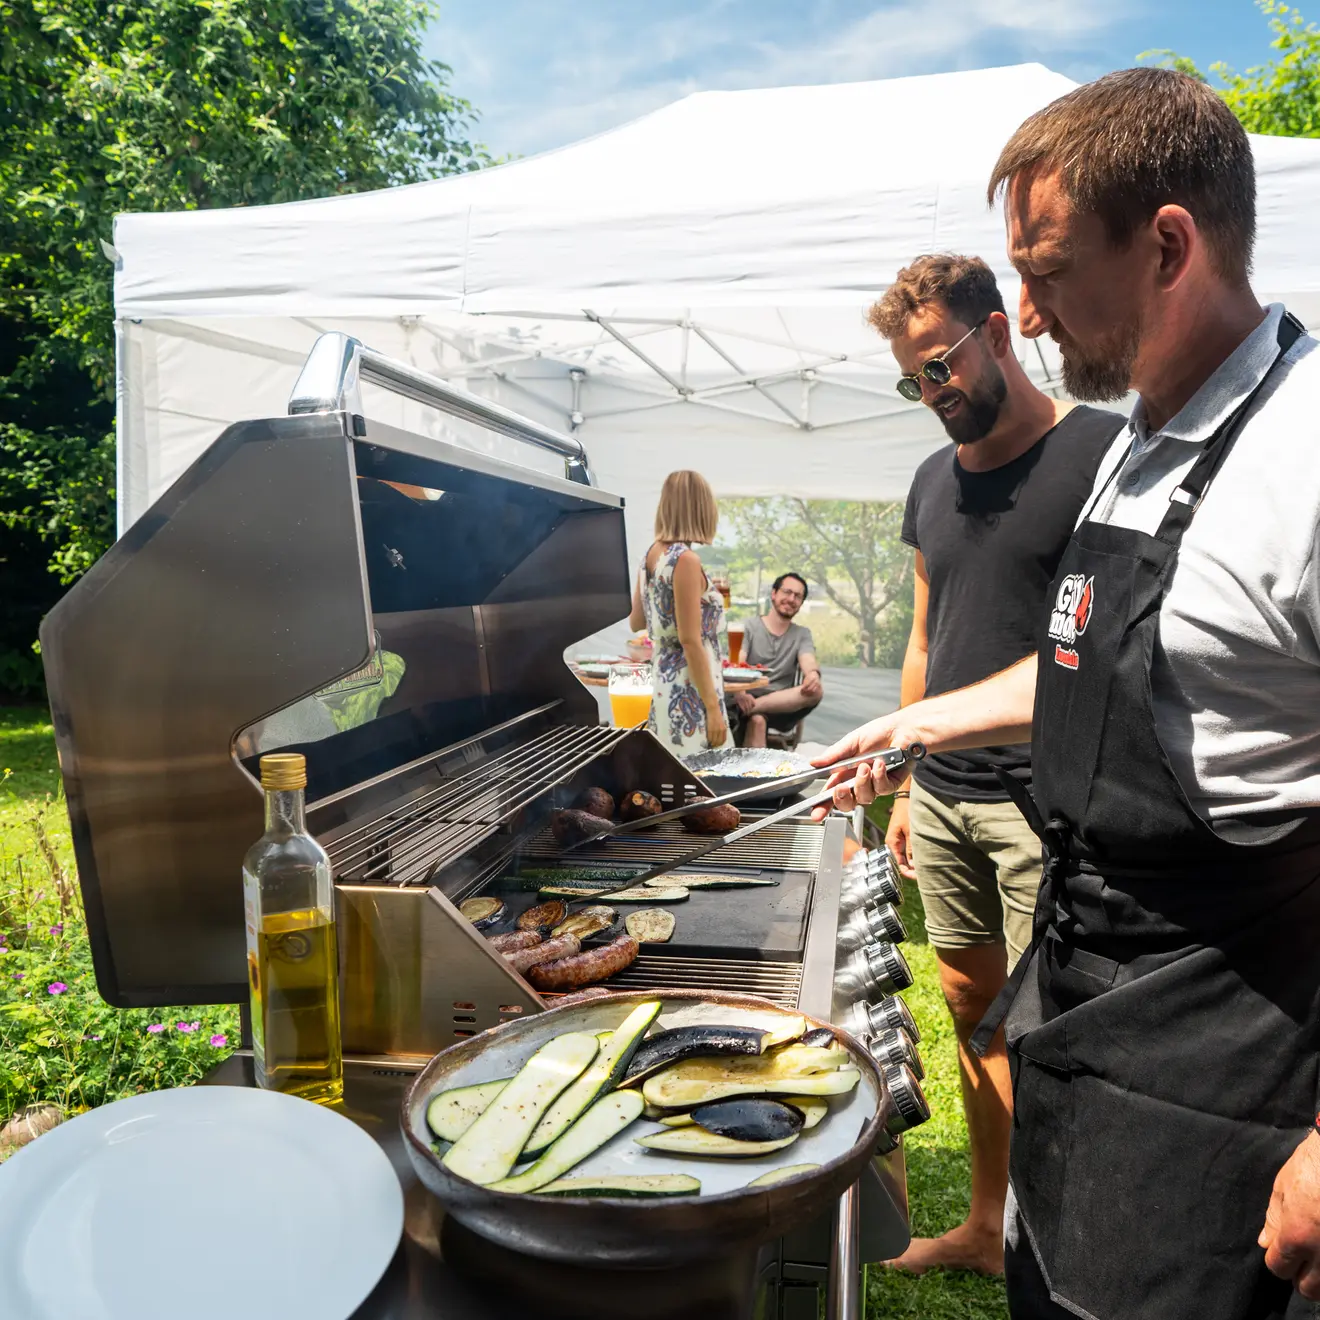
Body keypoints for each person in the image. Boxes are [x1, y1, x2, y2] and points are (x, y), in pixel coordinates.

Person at [817, 67, 1320, 1319]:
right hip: (1089, 1018)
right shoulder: (1143, 438)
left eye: (1046, 273)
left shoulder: (1303, 458)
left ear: (1167, 246)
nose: (1026, 317)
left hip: (1232, 1066)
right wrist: (923, 718)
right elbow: (1102, 668)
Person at [872, 253, 1123, 1277]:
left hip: (1048, 803)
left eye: (940, 366)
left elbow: (1099, 644)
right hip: (943, 798)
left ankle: (1068, 1251)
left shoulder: (1101, 453)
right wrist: (901, 776)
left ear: (999, 333)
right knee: (970, 1014)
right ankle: (985, 1227)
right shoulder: (932, 481)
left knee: (1058, 1035)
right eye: (913, 381)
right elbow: (927, 639)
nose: (934, 395)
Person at [628, 471, 728, 753]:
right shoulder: (685, 559)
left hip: (661, 680)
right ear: (700, 508)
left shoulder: (651, 555)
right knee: (701, 778)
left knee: (671, 774)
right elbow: (690, 640)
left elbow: (636, 621)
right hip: (690, 687)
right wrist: (713, 708)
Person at [732, 573, 824, 747]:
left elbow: (808, 660)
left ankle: (752, 708)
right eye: (787, 592)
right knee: (757, 721)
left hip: (781, 706)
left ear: (801, 603)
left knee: (816, 691)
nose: (791, 599)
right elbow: (738, 662)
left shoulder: (802, 634)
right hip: (744, 698)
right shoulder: (749, 626)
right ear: (773, 593)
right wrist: (741, 692)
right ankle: (758, 773)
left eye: (797, 596)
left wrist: (812, 675)